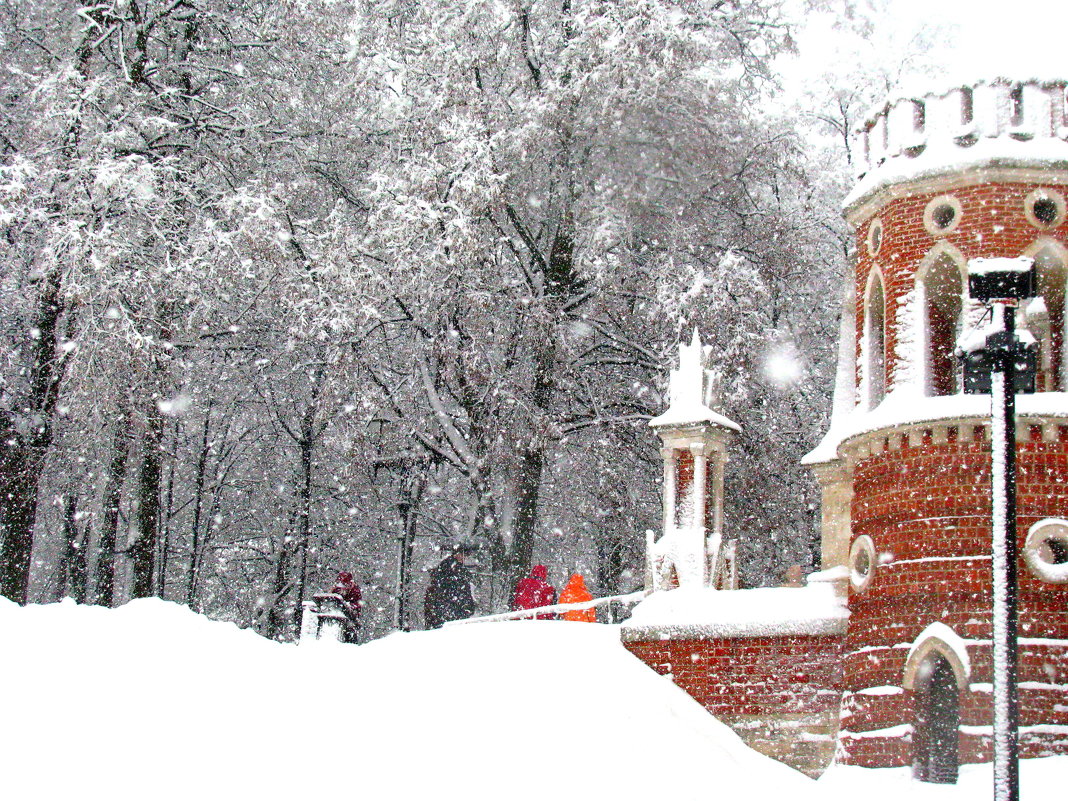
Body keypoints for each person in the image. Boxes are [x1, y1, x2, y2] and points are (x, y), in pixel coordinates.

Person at [424, 547, 477, 629]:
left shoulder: (444, 569)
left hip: (445, 611)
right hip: (452, 610)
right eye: (462, 555)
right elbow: (463, 591)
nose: (463, 558)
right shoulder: (456, 570)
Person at [330, 570, 363, 643]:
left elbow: (358, 605)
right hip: (337, 617)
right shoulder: (336, 589)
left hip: (350, 618)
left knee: (350, 631)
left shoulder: (355, 590)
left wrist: (349, 606)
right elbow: (331, 599)